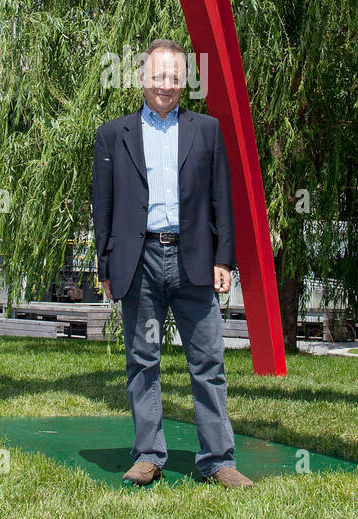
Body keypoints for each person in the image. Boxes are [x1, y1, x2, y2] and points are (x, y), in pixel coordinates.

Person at [92, 39, 253, 488]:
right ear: (143, 77)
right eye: (158, 75)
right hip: (137, 263)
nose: (166, 84)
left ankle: (219, 460)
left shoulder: (207, 131)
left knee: (209, 361)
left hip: (194, 262)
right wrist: (106, 265)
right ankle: (148, 454)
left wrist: (225, 259)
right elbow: (102, 205)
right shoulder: (112, 135)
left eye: (175, 76)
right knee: (142, 361)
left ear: (186, 81)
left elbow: (223, 198)